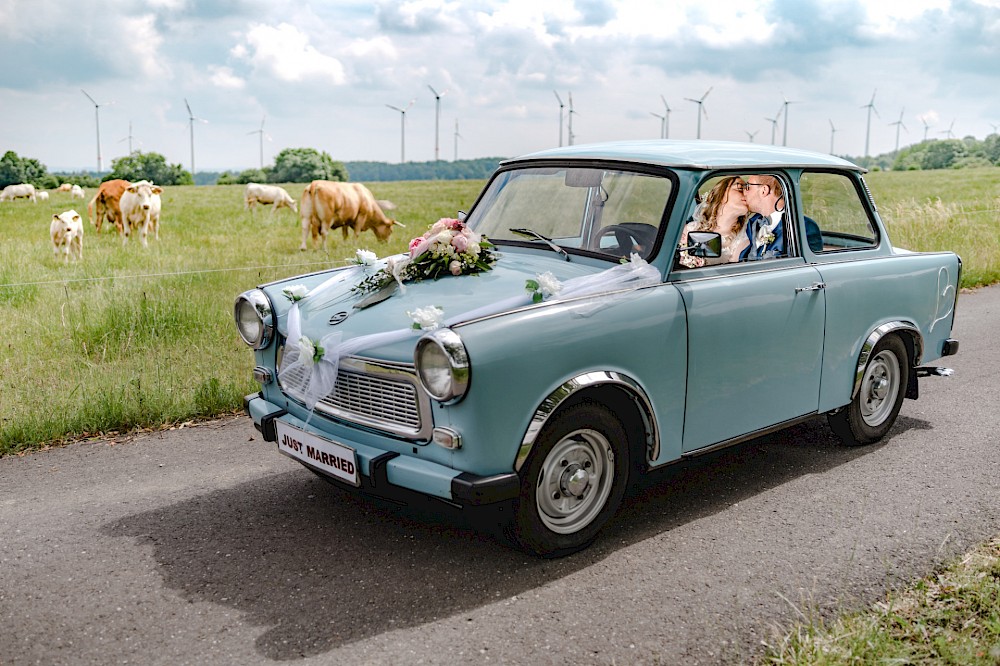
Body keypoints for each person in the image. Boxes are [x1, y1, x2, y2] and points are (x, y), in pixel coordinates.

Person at [678, 176, 750, 268]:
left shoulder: (743, 241)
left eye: (747, 189)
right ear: (721, 194)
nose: (746, 193)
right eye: (740, 188)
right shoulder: (690, 229)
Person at [739, 174, 786, 261]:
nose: (744, 192)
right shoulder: (753, 224)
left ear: (764, 190)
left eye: (748, 186)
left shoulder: (804, 228)